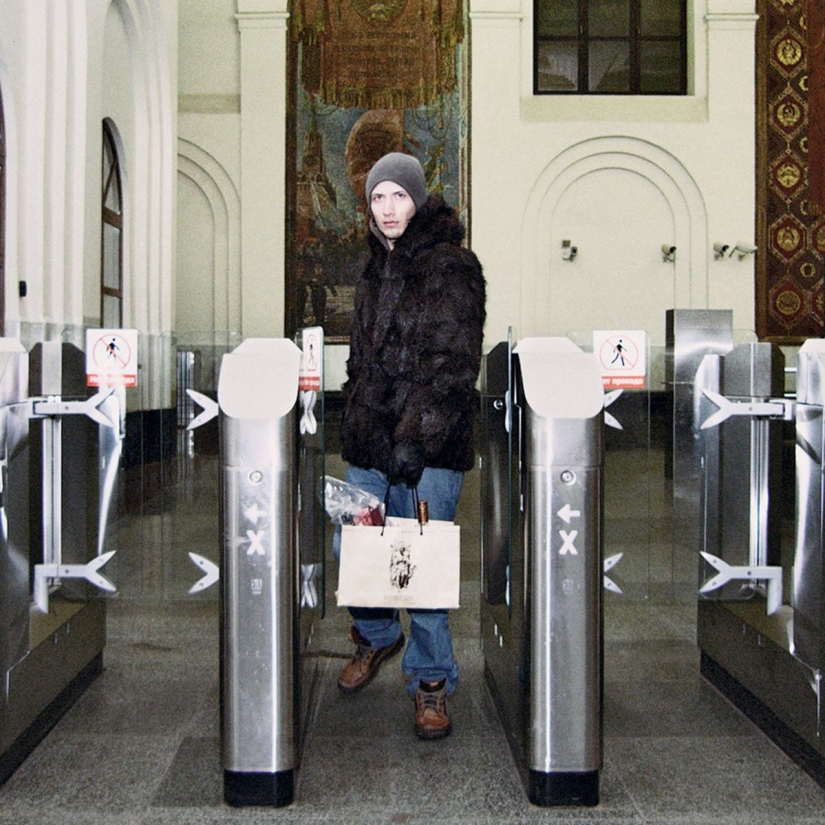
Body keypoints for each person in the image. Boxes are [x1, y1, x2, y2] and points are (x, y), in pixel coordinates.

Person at [336, 151, 486, 740]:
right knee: (360, 550)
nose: (388, 208)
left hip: (430, 447)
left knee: (417, 566)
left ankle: (431, 680)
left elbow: (453, 366)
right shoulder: (373, 266)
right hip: (370, 441)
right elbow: (361, 359)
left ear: (418, 199)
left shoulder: (453, 266)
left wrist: (415, 440)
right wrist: (358, 420)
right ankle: (376, 636)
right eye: (378, 197)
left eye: (398, 196)